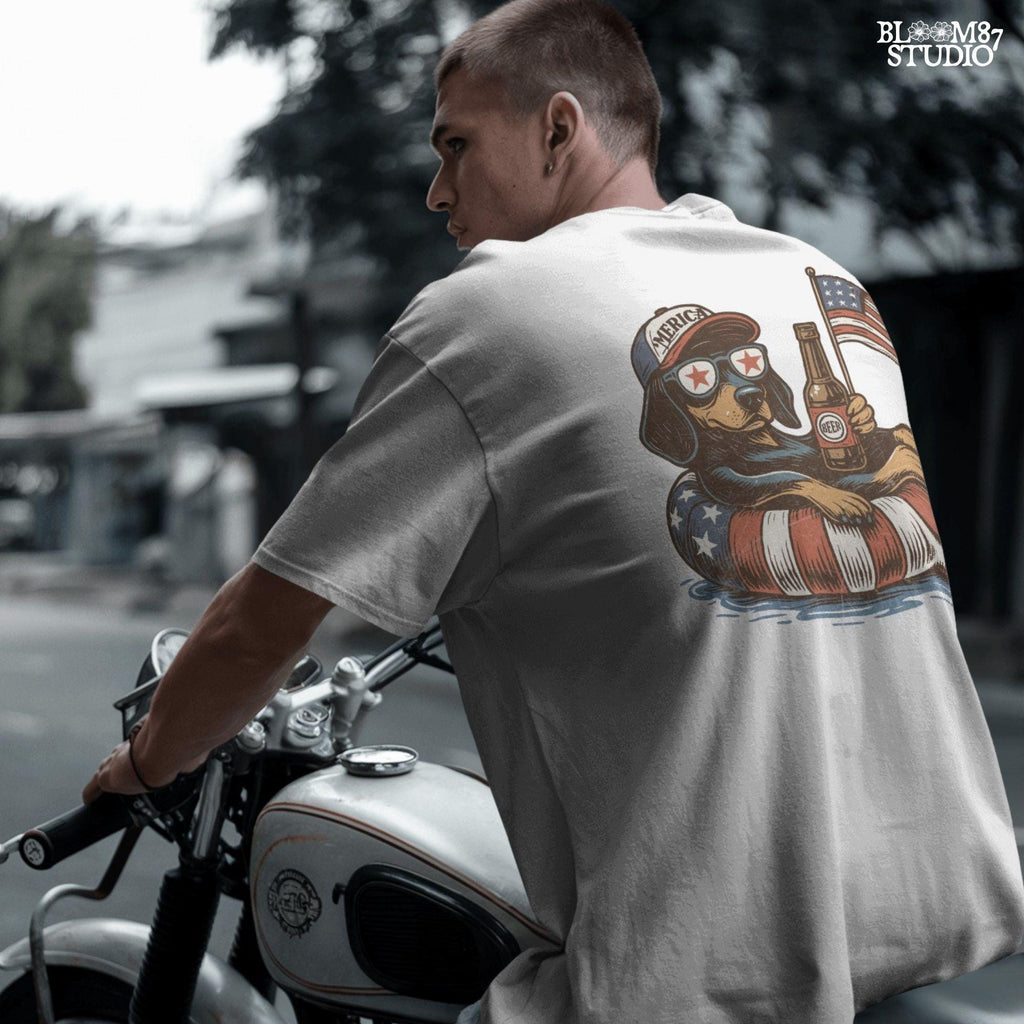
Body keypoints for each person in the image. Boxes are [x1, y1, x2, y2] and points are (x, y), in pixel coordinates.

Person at [83, 0, 1024, 1021]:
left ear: (559, 128)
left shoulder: (489, 310)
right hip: (921, 918)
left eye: (456, 146)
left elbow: (263, 620)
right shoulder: (815, 277)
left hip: (701, 977)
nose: (438, 191)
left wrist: (145, 761)